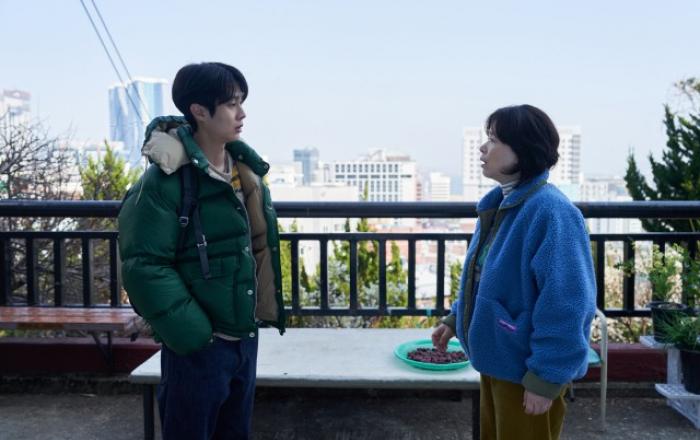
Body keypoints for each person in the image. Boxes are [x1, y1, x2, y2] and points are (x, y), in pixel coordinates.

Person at [118, 62, 286, 440]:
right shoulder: (164, 181)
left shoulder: (245, 171)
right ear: (199, 111)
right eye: (231, 104)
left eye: (241, 102)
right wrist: (196, 335)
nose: (242, 114)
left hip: (243, 336)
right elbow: (144, 267)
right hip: (197, 347)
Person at [432, 104, 596, 440]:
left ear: (523, 149)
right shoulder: (502, 204)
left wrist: (546, 377)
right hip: (498, 358)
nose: (483, 148)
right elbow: (485, 279)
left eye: (493, 139)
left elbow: (568, 303)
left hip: (526, 371)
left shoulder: (551, 212)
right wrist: (455, 319)